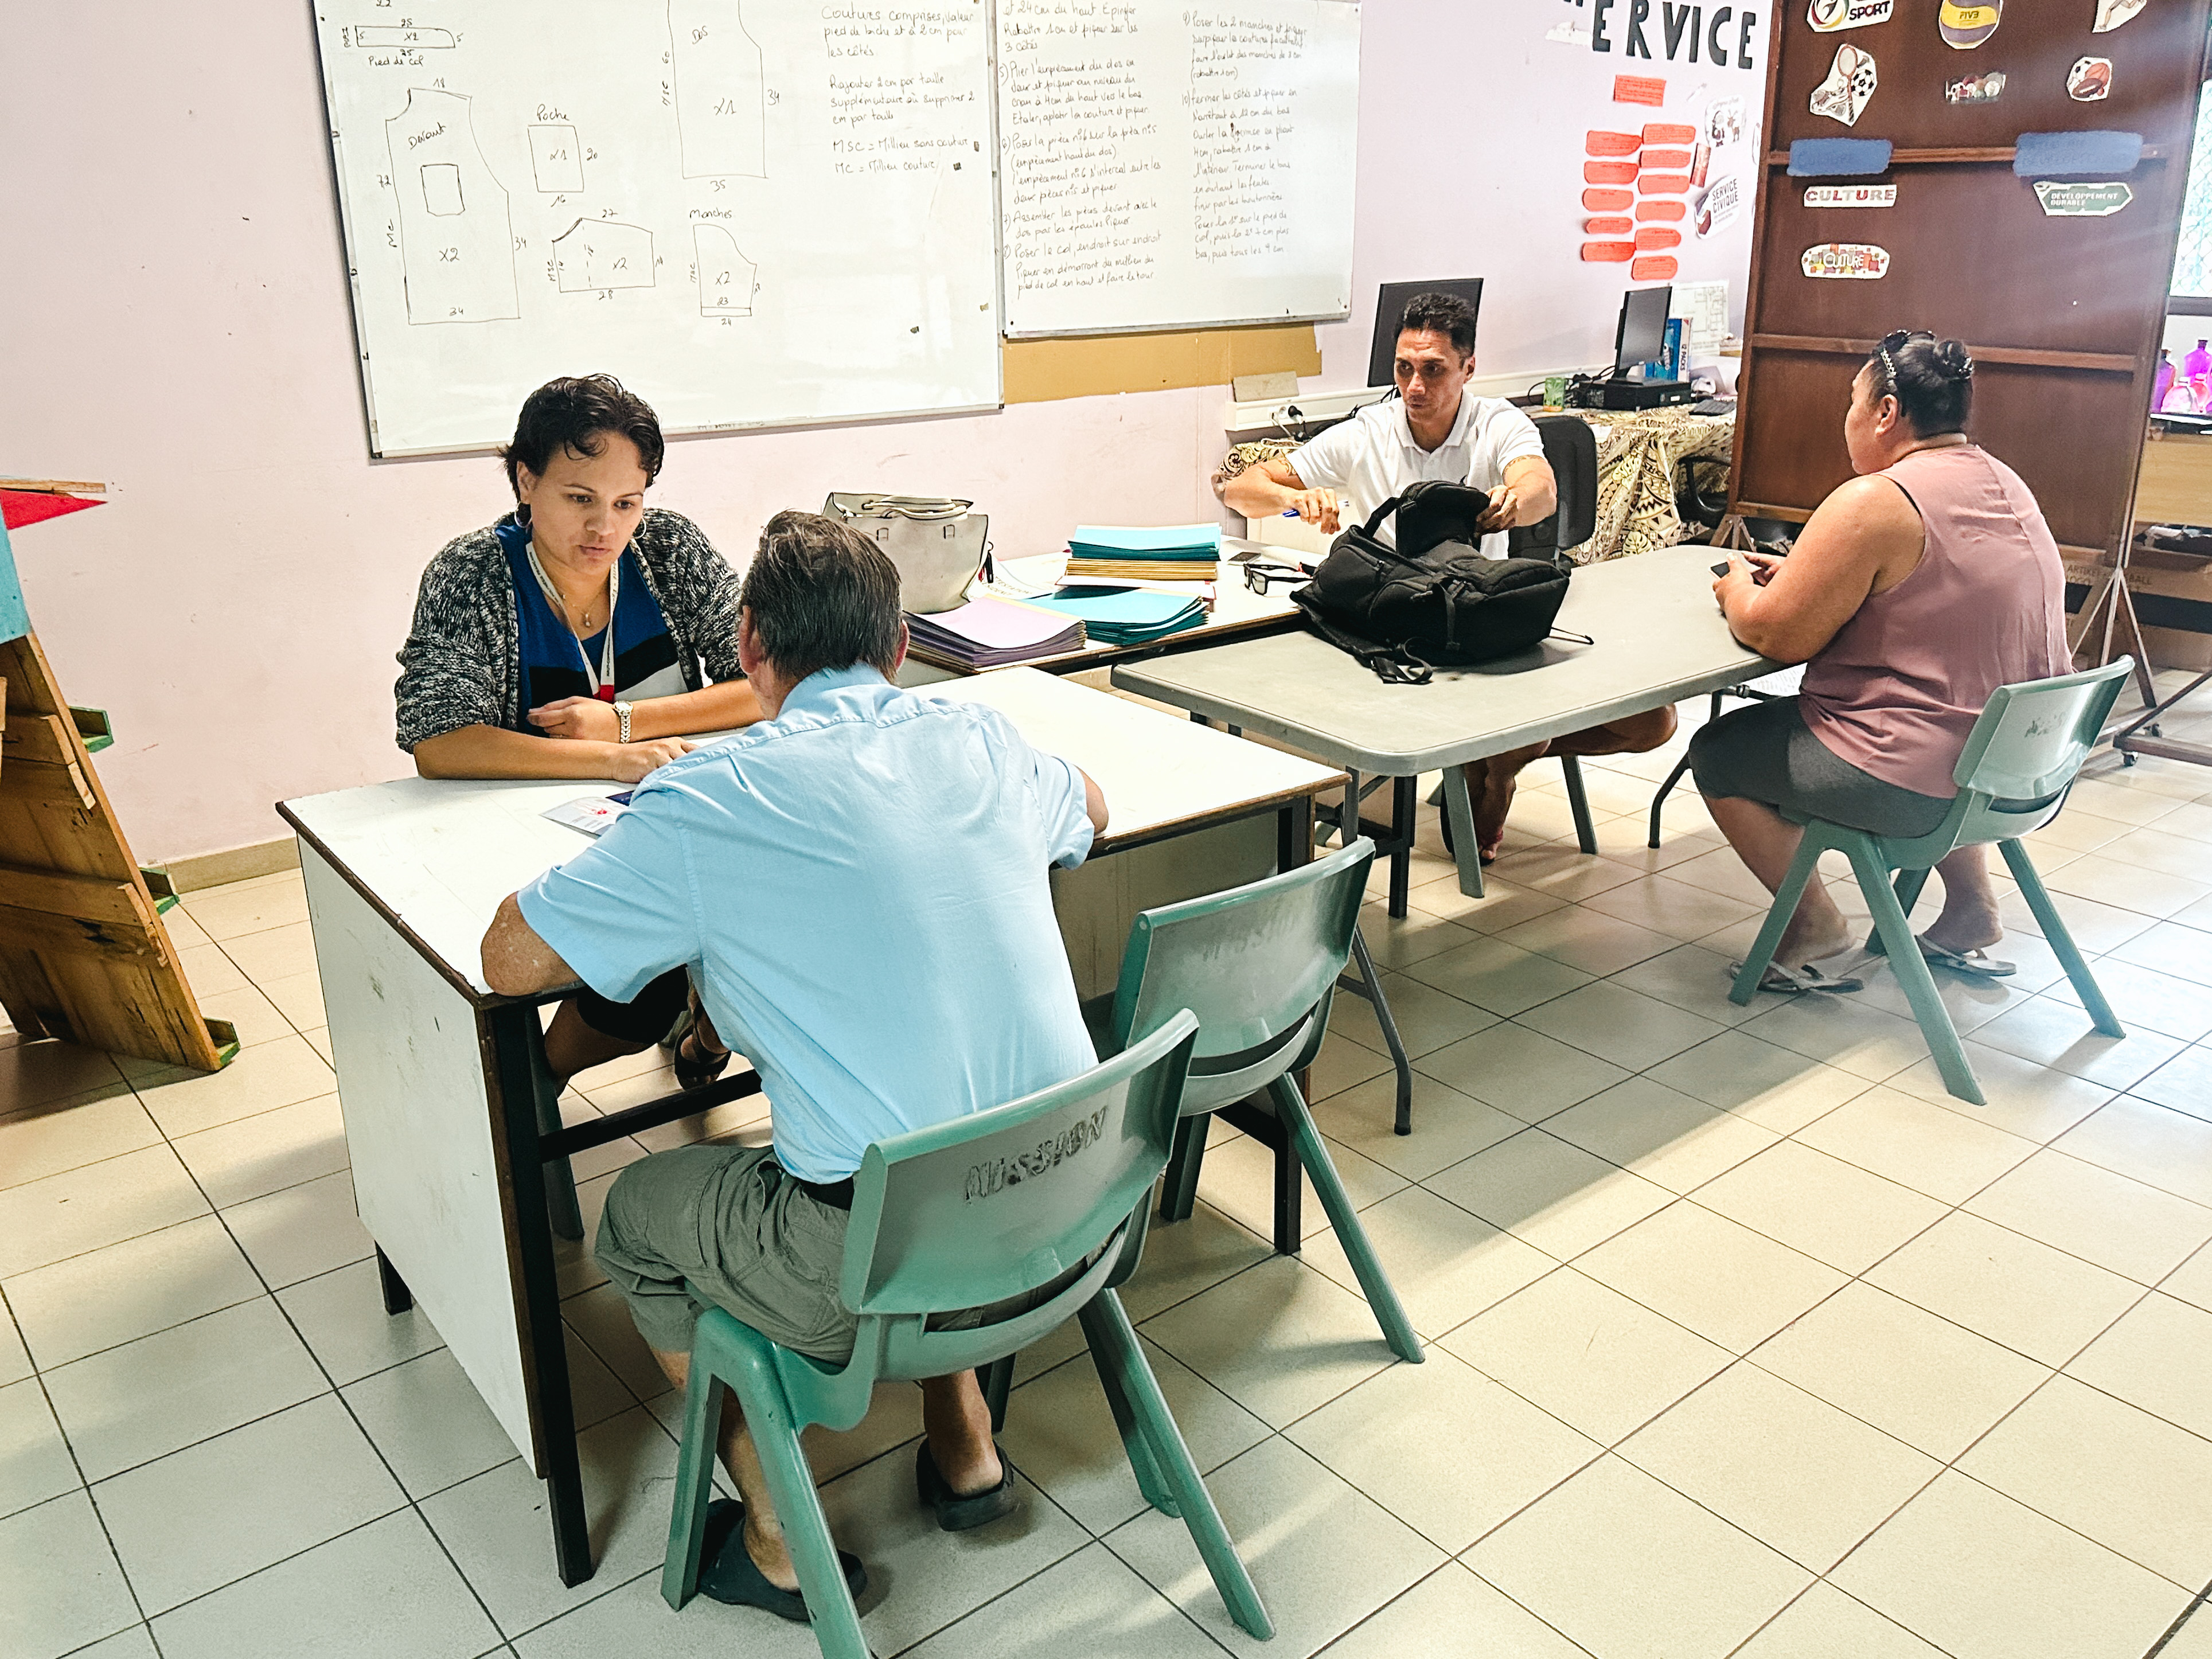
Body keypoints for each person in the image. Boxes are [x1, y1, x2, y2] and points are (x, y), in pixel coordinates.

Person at [478, 511, 1109, 1622]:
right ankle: (964, 1452)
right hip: (1069, 1209)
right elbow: (1091, 810)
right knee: (932, 1132)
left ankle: (773, 1532)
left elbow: (512, 959)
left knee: (637, 1212)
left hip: (879, 1257)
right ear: (899, 643)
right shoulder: (983, 740)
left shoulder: (709, 800)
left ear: (747, 642)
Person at [397, 374, 764, 1088]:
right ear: (524, 480)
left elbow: (762, 680)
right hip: (541, 834)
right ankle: (532, 1093)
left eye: (627, 503)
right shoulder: (473, 575)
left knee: (762, 923)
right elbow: (439, 744)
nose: (605, 529)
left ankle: (708, 1032)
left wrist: (623, 722)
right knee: (641, 982)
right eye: (579, 500)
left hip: (675, 814)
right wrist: (609, 759)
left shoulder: (669, 549)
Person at [1220, 289, 1676, 862]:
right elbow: (1238, 489)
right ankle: (1495, 757)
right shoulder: (1368, 431)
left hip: (1476, 614)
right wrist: (1297, 499)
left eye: (1433, 370)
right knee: (1519, 726)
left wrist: (1514, 501)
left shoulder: (1497, 423)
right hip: (1393, 622)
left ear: (1468, 368)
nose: (1415, 386)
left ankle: (1501, 759)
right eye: (1403, 369)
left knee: (1653, 723)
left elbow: (1540, 490)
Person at [1693, 331, 2067, 990]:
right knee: (1962, 706)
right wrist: (1816, 578)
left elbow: (1776, 636)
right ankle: (1970, 910)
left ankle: (1811, 922)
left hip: (1917, 779)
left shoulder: (1875, 499)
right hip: (2022, 768)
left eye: (1852, 401)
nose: (1848, 418)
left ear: (1886, 413)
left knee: (1720, 749)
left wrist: (1736, 591)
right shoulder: (2001, 480)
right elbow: (1934, 599)